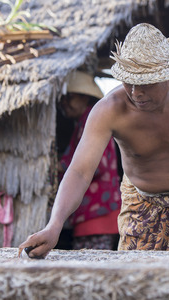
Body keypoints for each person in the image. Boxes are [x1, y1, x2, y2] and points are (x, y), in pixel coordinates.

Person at [19, 23, 169, 256]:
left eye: (145, 84)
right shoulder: (109, 110)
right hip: (141, 205)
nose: (135, 93)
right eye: (128, 82)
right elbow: (80, 171)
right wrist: (54, 224)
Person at [55, 70, 121, 250]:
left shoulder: (92, 120)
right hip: (93, 211)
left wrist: (62, 168)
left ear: (85, 98)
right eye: (64, 98)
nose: (64, 103)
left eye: (70, 97)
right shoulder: (85, 121)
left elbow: (95, 165)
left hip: (97, 211)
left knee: (92, 266)